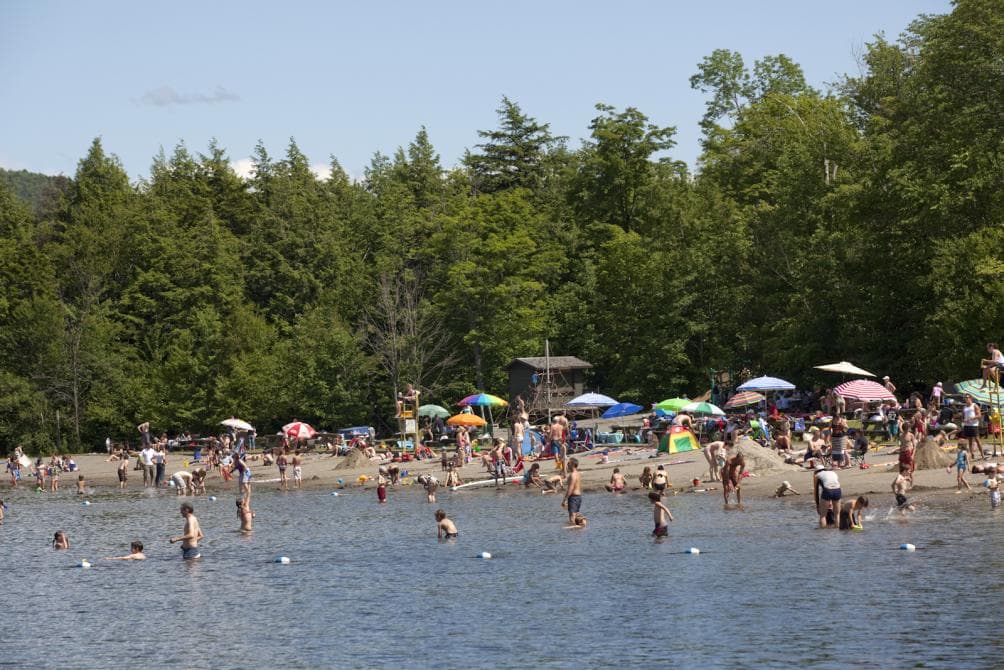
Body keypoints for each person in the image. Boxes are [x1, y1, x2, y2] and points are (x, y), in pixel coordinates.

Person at [961, 395, 983, 461]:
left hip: (974, 425)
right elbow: (963, 416)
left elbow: (979, 415)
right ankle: (971, 454)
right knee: (969, 441)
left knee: (977, 440)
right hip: (967, 425)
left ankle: (982, 454)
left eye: (967, 397)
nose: (966, 399)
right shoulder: (964, 407)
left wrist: (973, 418)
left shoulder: (974, 405)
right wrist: (963, 419)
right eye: (965, 398)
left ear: (970, 398)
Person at [561, 458, 582, 524]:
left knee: (572, 517)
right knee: (576, 515)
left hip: (573, 497)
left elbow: (570, 488)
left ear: (573, 464)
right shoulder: (578, 474)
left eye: (568, 464)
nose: (567, 465)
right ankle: (578, 531)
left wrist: (564, 499)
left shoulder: (572, 475)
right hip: (579, 497)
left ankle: (573, 532)